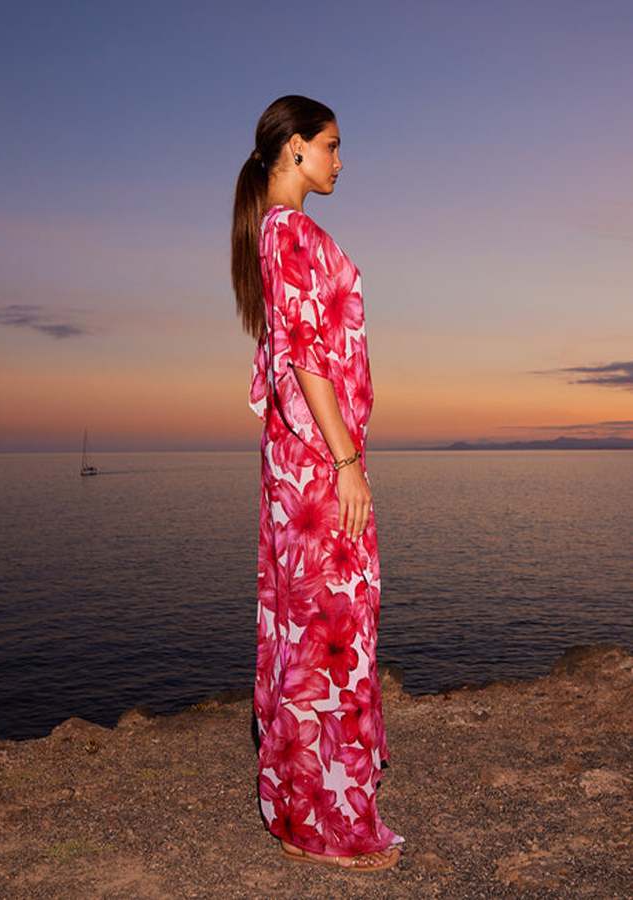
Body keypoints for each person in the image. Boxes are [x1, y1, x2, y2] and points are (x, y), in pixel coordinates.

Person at [231, 95, 403, 872]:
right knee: (327, 630)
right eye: (331, 145)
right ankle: (323, 817)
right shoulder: (289, 230)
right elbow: (304, 356)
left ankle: (308, 804)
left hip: (297, 456)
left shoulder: (274, 232)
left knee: (308, 631)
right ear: (294, 148)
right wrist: (344, 461)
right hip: (313, 460)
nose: (340, 160)